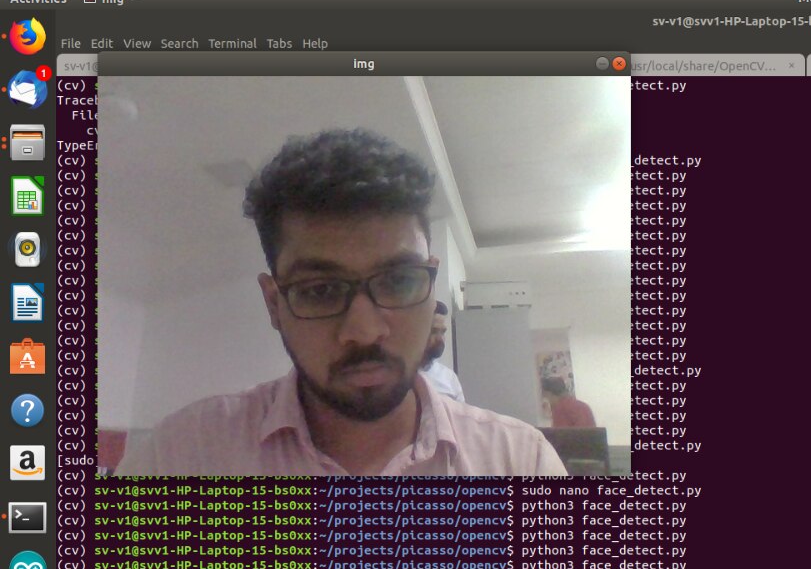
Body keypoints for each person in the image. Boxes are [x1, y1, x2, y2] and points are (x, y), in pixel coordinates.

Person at [117, 129, 566, 476]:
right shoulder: (179, 457)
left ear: (431, 285)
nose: (365, 331)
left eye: (398, 281)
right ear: (274, 304)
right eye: (320, 290)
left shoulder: (520, 462)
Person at [419, 300, 466, 403]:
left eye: (443, 332)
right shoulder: (400, 377)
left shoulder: (449, 378)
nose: (440, 339)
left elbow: (461, 412)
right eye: (434, 331)